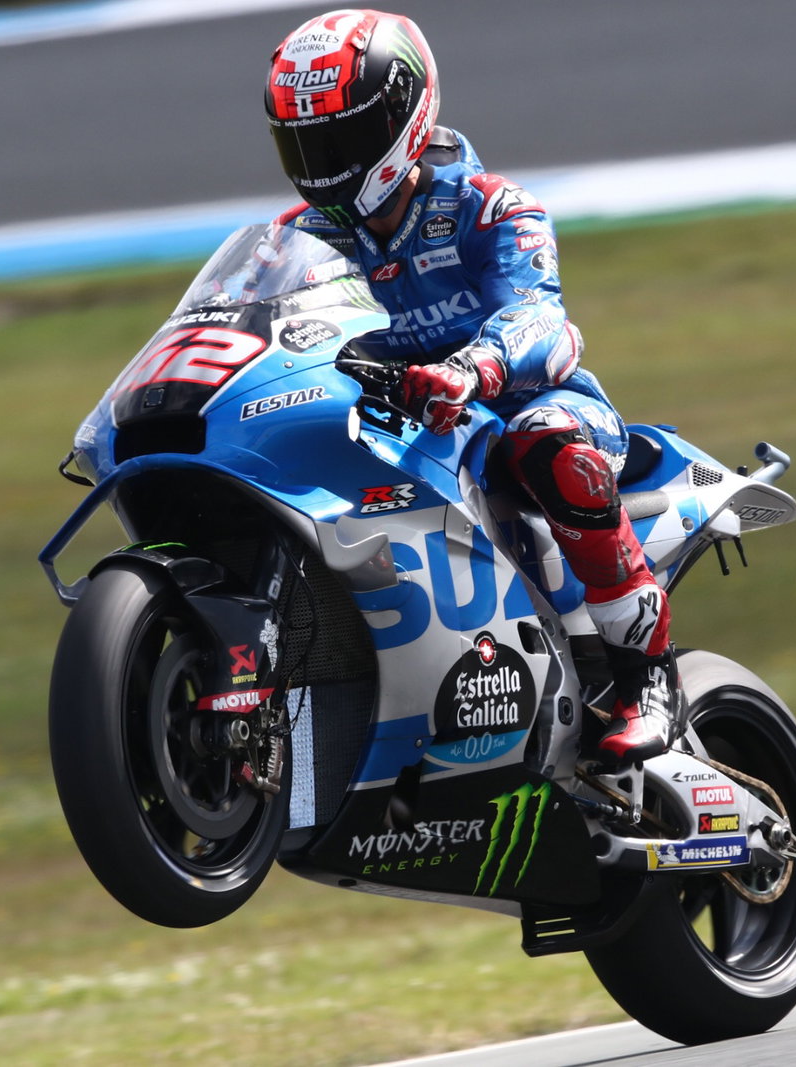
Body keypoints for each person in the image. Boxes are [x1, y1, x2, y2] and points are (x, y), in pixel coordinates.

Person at [265, 9, 674, 765]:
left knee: (547, 444)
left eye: (340, 139)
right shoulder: (298, 239)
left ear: (402, 117)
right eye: (302, 143)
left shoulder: (491, 206)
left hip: (525, 410)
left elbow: (541, 318)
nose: (322, 162)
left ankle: (646, 677)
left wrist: (470, 370)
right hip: (401, 432)